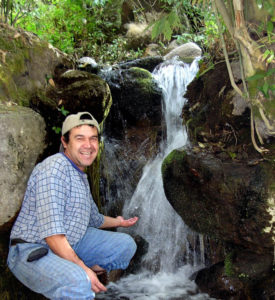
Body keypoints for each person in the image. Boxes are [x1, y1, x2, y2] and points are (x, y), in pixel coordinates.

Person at [7, 111, 138, 299]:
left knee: (125, 246)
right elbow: (53, 236)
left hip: (73, 242)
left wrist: (119, 222)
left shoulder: (79, 174)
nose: (88, 145)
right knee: (80, 280)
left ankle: (72, 275)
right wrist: (83, 269)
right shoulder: (54, 169)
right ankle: (75, 280)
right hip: (32, 249)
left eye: (93, 139)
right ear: (65, 142)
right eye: (80, 138)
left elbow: (94, 219)